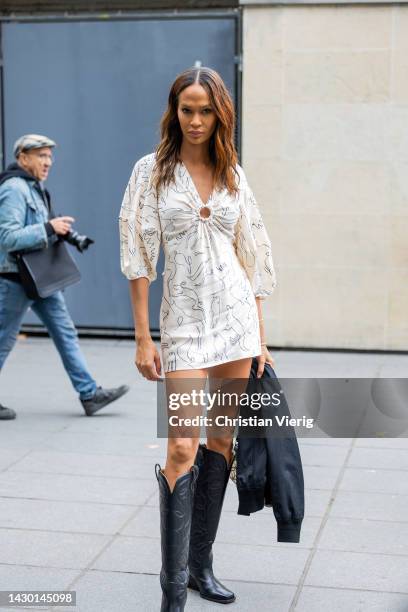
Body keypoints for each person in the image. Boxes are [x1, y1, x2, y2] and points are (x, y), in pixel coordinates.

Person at [119, 67, 276, 610]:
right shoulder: (152, 172)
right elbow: (138, 258)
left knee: (221, 443)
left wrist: (259, 334)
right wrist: (143, 336)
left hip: (235, 325)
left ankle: (200, 567)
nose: (196, 120)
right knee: (181, 446)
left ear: (221, 115)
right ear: (174, 110)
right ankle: (172, 590)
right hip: (183, 325)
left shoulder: (232, 171)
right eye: (187, 108)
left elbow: (252, 253)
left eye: (206, 110)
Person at [0, 134, 129, 420]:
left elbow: (43, 227)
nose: (48, 162)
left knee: (65, 332)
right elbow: (7, 237)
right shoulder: (14, 189)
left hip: (39, 277)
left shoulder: (36, 189)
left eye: (50, 156)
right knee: (3, 340)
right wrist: (48, 227)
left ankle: (89, 394)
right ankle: (89, 392)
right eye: (41, 156)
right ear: (23, 158)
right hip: (15, 278)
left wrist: (67, 234)